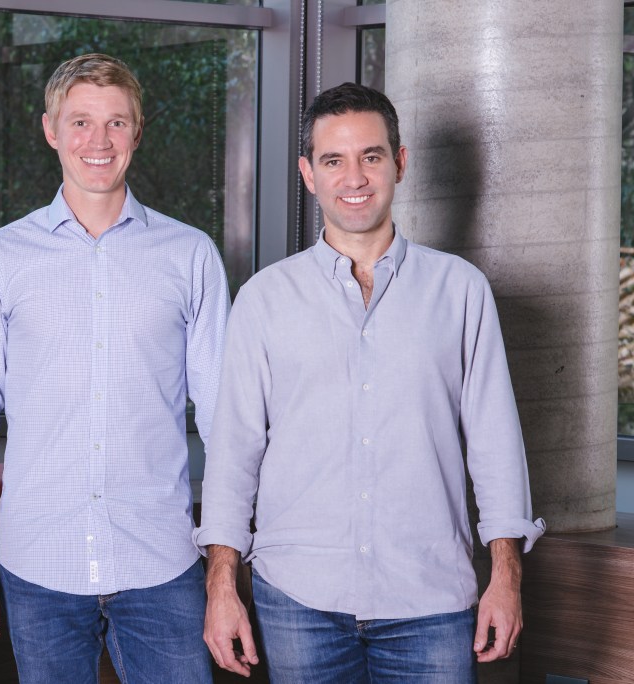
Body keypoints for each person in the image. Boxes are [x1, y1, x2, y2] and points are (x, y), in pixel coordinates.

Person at [195, 82, 546, 682]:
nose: (353, 177)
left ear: (400, 163)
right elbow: (234, 455)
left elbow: (496, 447)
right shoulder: (263, 299)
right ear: (308, 174)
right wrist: (221, 587)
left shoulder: (461, 291)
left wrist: (506, 579)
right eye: (333, 160)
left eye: (371, 156)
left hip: (430, 600)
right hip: (298, 599)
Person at [0, 53, 229, 683]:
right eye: (80, 122)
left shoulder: (190, 255)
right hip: (38, 562)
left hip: (162, 561)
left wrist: (223, 567)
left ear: (137, 132)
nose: (98, 141)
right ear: (51, 129)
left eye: (116, 123)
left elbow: (223, 422)